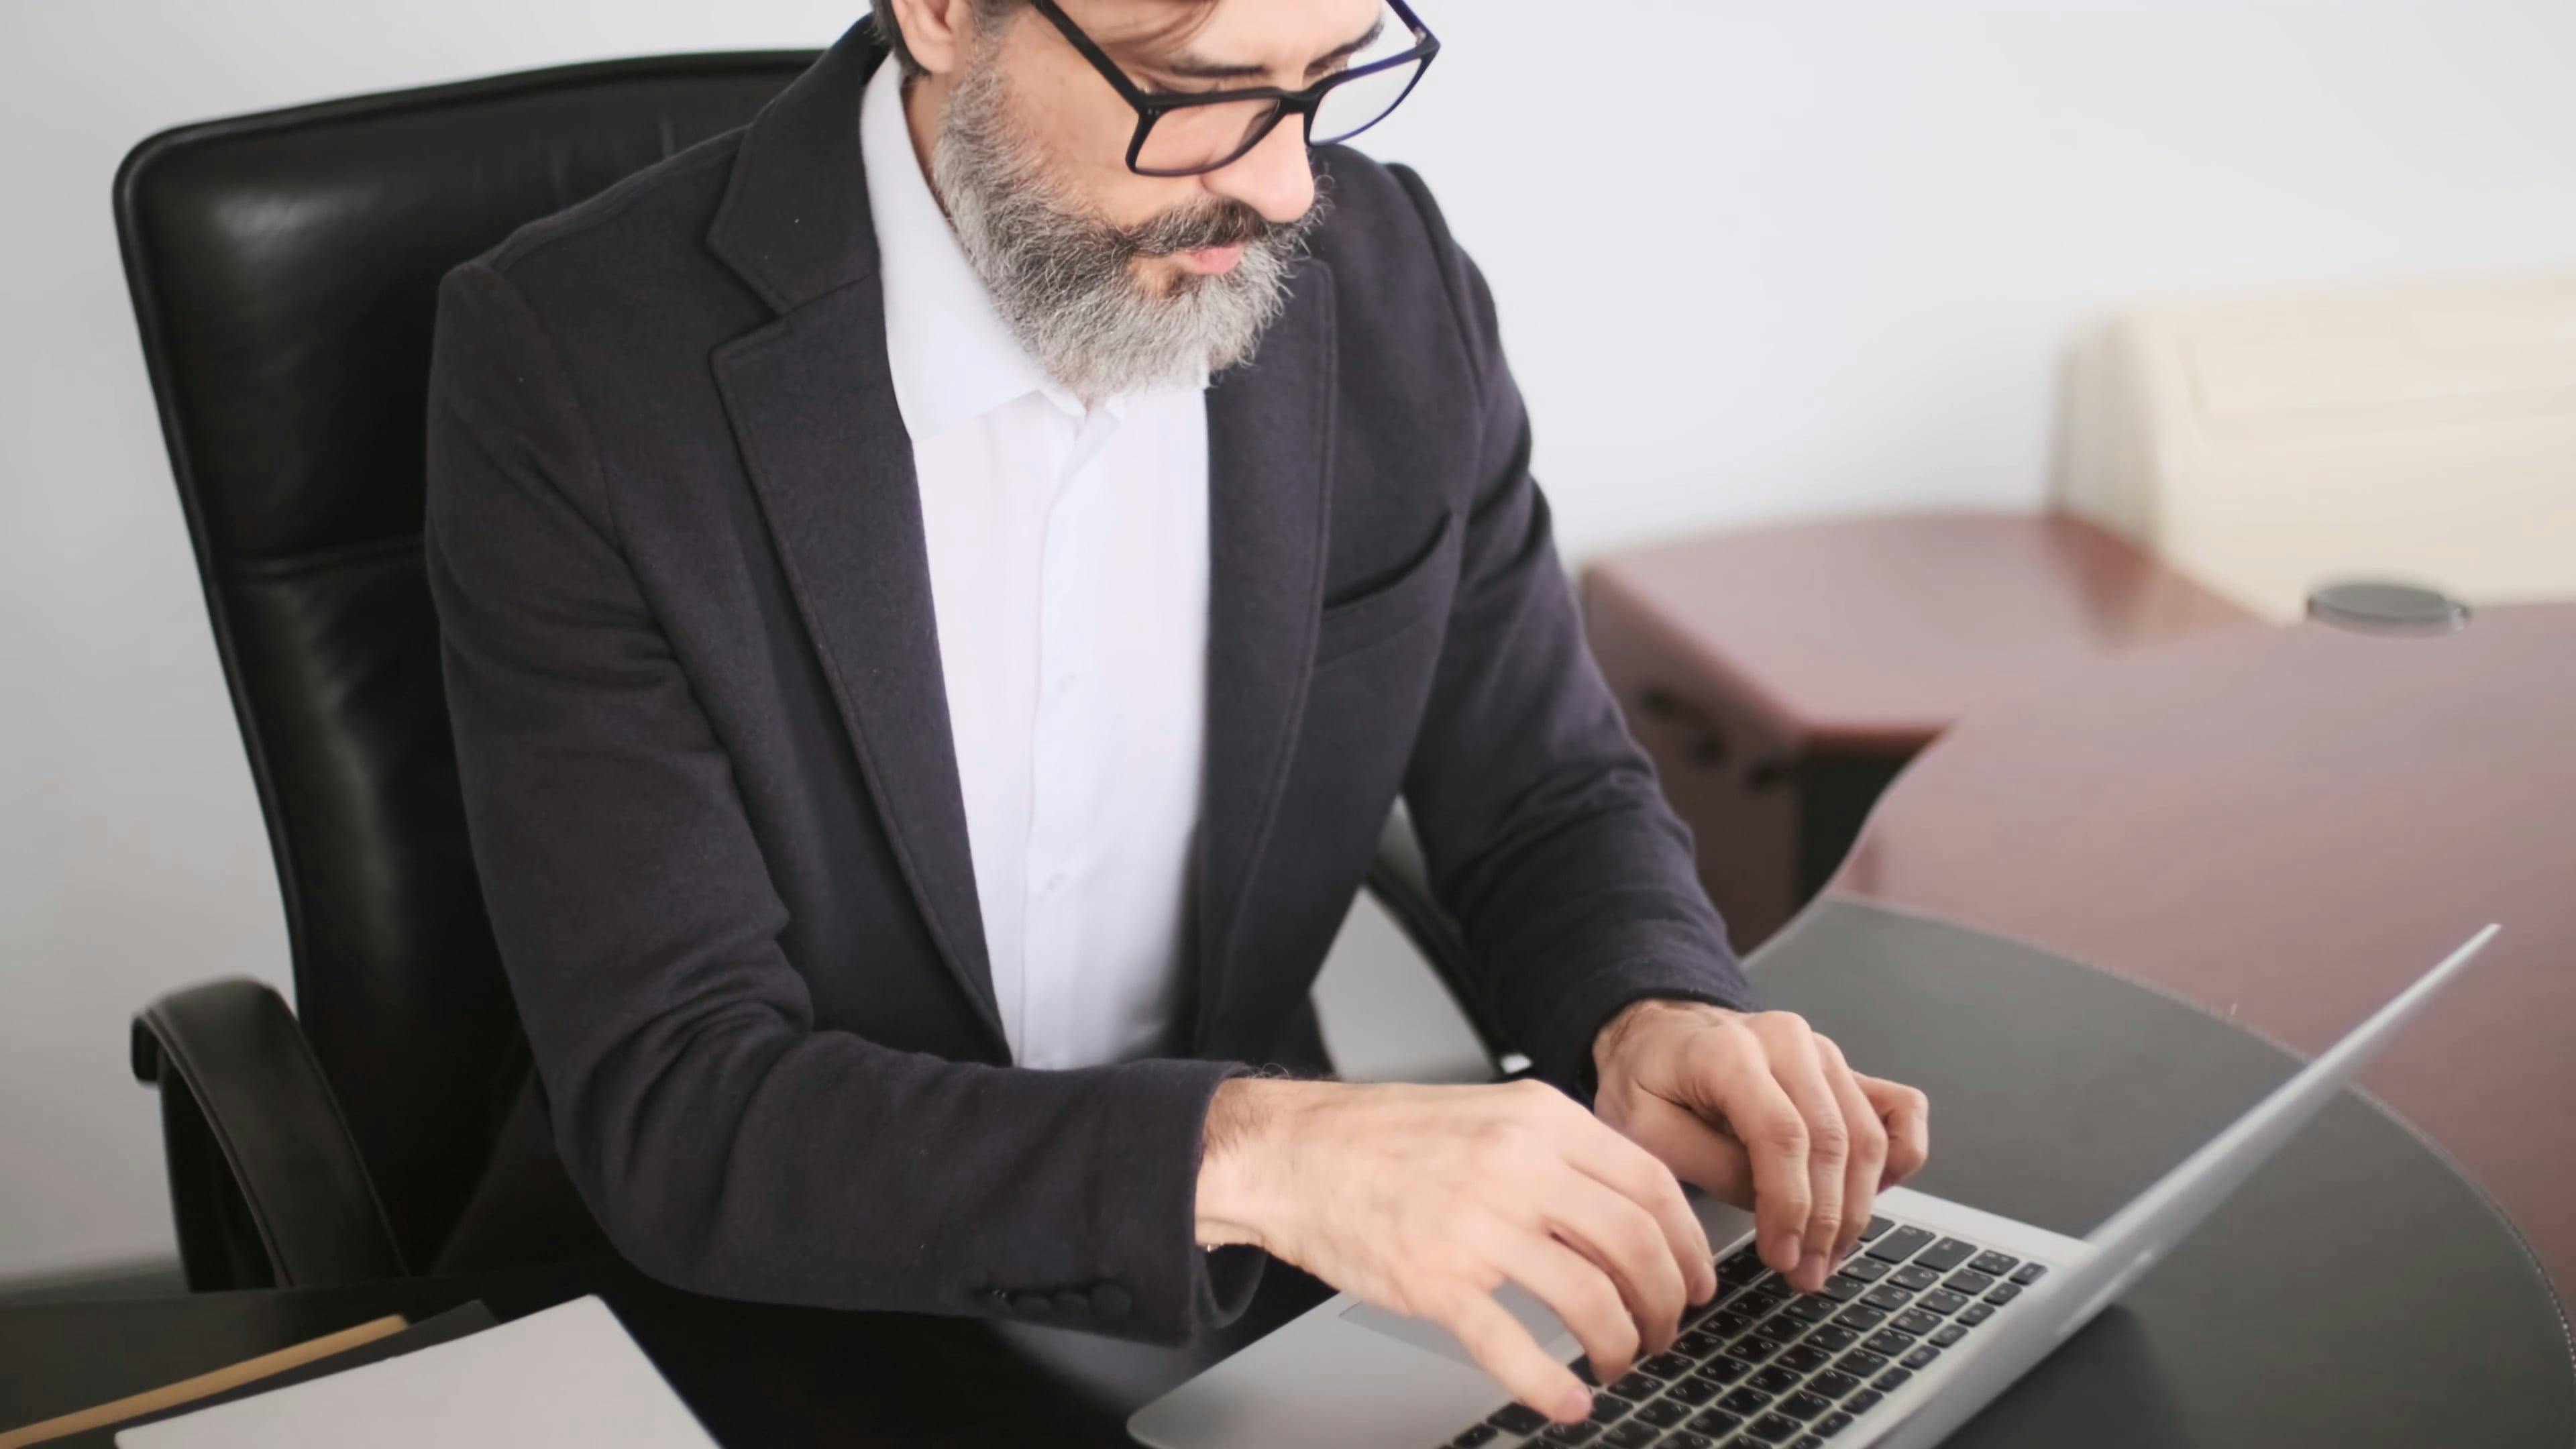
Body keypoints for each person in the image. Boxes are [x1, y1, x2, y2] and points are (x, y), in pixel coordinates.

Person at [423, 0, 1929, 1426]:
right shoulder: (573, 361)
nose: (1286, 188)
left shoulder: (1389, 277)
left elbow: (1546, 791)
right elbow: (683, 1101)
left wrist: (1651, 1006)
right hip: (753, 1334)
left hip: (1229, 1303)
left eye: (1322, 79)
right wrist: (1257, 1151)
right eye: (1196, 94)